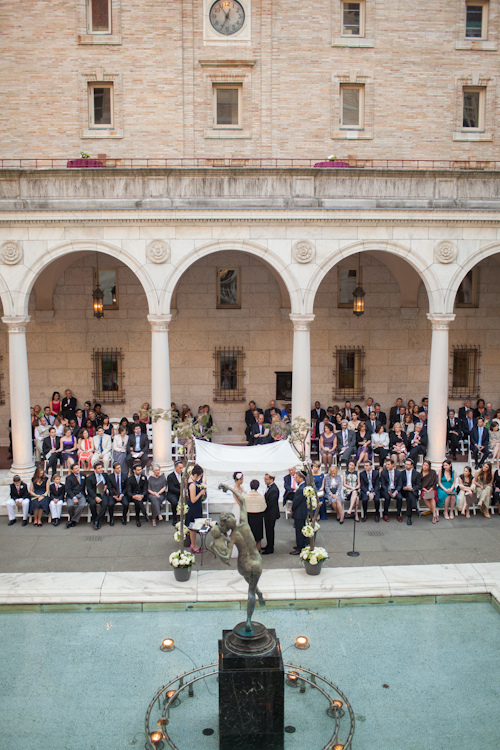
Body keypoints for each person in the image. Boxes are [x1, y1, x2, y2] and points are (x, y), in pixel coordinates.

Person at [186, 464, 206, 552]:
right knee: (193, 527)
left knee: (194, 527)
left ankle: (193, 544)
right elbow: (193, 499)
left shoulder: (191, 479)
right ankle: (193, 545)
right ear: (196, 475)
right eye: (200, 476)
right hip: (193, 508)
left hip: (196, 507)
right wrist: (201, 493)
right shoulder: (192, 485)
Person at [244, 479, 266, 551]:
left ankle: (249, 551)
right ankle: (258, 551)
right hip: (258, 517)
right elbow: (264, 506)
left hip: (249, 517)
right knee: (258, 537)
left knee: (249, 535)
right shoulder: (261, 496)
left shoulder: (246, 497)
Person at [86, 461, 110, 530]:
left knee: (105, 503)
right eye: (99, 468)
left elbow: (108, 482)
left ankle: (96, 520)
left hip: (102, 493)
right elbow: (89, 489)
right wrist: (95, 497)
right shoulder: (90, 478)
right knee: (92, 504)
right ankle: (96, 518)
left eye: (101, 468)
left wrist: (106, 486)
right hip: (93, 494)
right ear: (95, 470)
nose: (100, 469)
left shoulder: (105, 475)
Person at [290, 469, 308, 555]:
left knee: (299, 531)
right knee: (300, 530)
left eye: (296, 477)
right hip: (302, 511)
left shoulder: (301, 488)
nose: (295, 479)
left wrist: (292, 509)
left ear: (301, 478)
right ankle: (300, 545)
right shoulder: (303, 486)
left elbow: (296, 500)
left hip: (299, 512)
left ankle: (300, 547)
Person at [380, 457, 404, 522]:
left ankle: (398, 514)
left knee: (399, 497)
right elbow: (383, 484)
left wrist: (396, 492)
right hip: (386, 490)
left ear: (393, 465)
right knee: (387, 497)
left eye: (388, 464)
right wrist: (388, 491)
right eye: (386, 464)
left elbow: (400, 484)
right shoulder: (383, 472)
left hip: (395, 489)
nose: (386, 466)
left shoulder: (398, 473)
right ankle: (385, 514)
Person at [127, 462, 150, 527]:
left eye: (140, 470)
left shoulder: (144, 477)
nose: (140, 471)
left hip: (142, 495)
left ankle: (137, 519)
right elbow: (129, 491)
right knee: (138, 501)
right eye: (138, 470)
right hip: (133, 496)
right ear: (134, 471)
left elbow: (145, 489)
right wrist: (134, 496)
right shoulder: (130, 479)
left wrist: (142, 495)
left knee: (138, 501)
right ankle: (144, 514)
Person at [64, 463, 87, 528]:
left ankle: (72, 520)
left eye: (78, 468)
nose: (78, 469)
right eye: (76, 468)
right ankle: (73, 519)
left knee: (82, 505)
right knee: (70, 505)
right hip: (72, 495)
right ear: (72, 470)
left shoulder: (83, 475)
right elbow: (68, 489)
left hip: (81, 495)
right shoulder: (69, 478)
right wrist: (74, 497)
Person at [262, 473, 280, 555]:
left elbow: (270, 503)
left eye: (266, 479)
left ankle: (270, 547)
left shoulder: (274, 489)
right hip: (268, 514)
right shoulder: (270, 488)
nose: (265, 480)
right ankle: (268, 545)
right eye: (264, 479)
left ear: (271, 480)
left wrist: (262, 508)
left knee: (270, 530)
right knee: (268, 530)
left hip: (271, 514)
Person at [401, 457, 422, 525]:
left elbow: (419, 485)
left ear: (412, 465)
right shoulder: (401, 473)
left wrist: (412, 488)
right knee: (410, 495)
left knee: (410, 497)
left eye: (408, 464)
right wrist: (405, 488)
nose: (406, 465)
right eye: (405, 464)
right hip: (404, 491)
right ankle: (415, 508)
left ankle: (409, 517)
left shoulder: (417, 474)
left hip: (413, 491)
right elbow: (399, 484)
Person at [166, 461, 183, 525]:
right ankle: (174, 518)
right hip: (173, 493)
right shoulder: (170, 476)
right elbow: (171, 488)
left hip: (182, 493)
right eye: (180, 468)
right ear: (176, 468)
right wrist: (181, 492)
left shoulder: (183, 475)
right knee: (174, 502)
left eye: (182, 468)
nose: (181, 470)